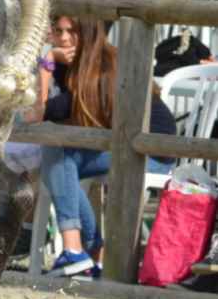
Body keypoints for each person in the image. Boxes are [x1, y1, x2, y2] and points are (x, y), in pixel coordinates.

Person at [25, 15, 175, 277]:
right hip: (115, 148)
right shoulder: (71, 65)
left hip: (151, 154)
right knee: (57, 154)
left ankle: (79, 250)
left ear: (88, 34)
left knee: (57, 153)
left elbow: (36, 115)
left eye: (72, 32)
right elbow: (38, 114)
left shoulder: (106, 65)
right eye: (58, 32)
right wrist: (48, 62)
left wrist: (45, 65)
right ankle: (85, 251)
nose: (63, 39)